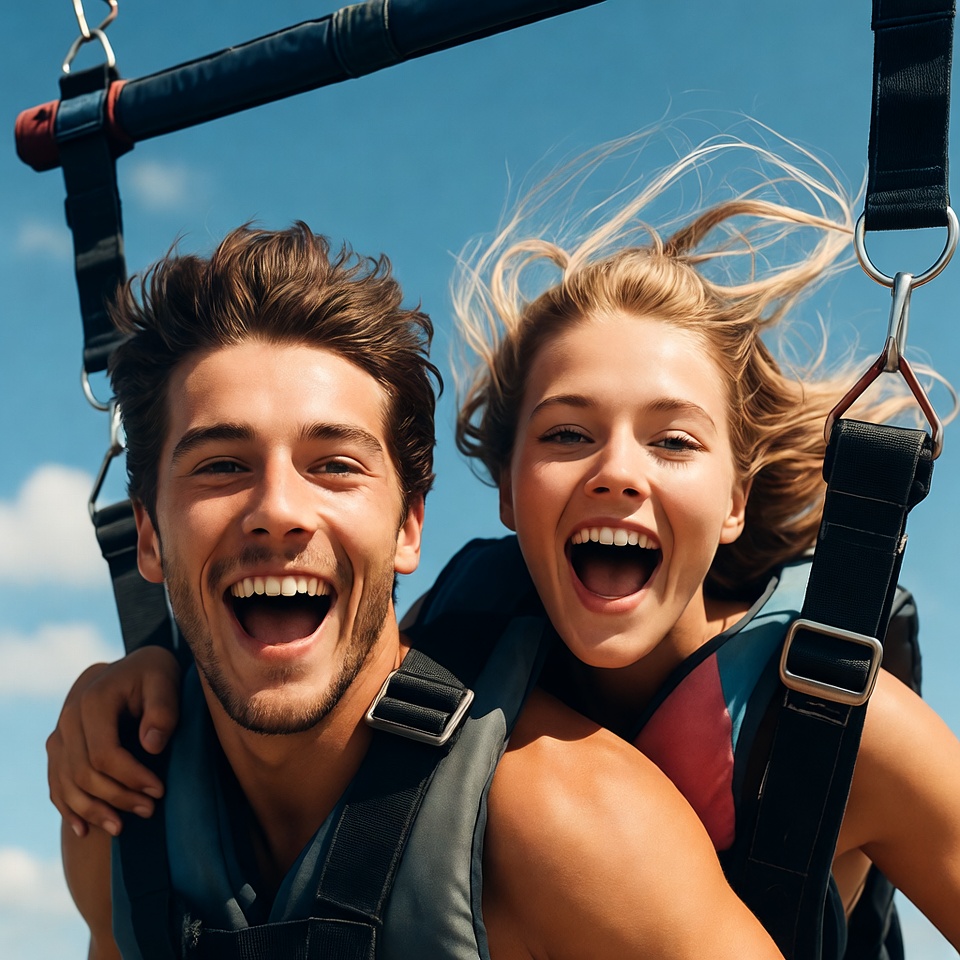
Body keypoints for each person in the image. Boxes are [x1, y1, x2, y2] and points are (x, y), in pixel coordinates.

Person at [50, 140, 960, 955]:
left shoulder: (809, 731)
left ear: (736, 498)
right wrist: (139, 672)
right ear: (510, 491)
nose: (616, 473)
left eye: (673, 441)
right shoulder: (460, 630)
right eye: (567, 437)